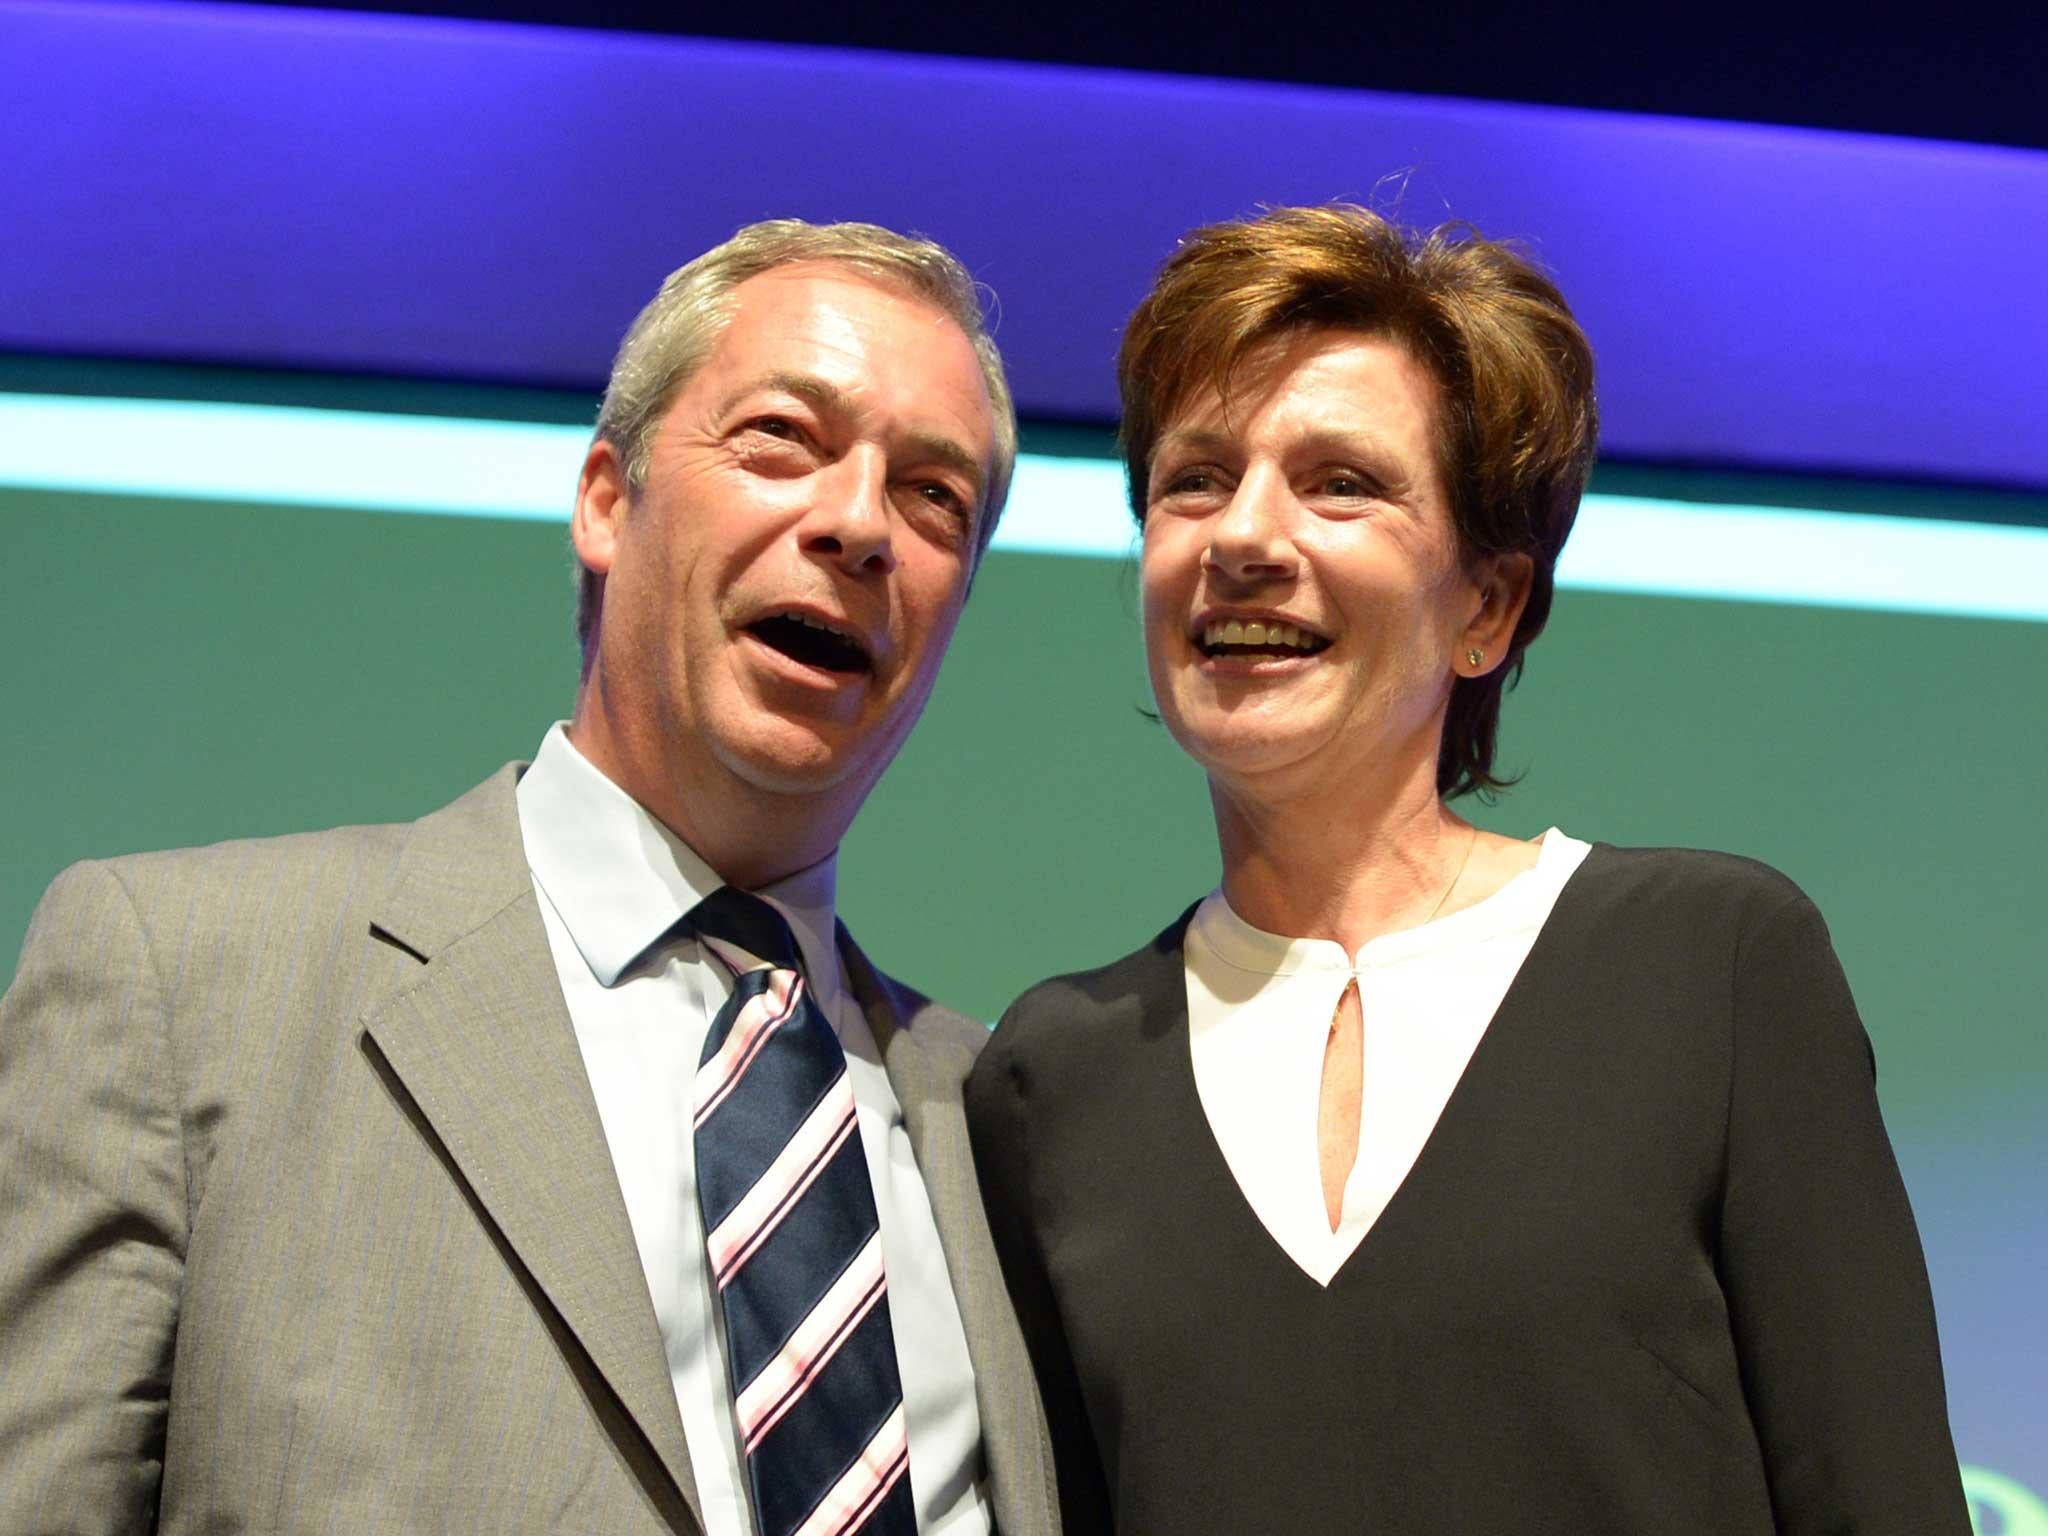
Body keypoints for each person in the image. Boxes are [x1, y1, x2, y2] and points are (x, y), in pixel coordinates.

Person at [0, 220, 1058, 1536]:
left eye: (934, 497)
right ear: (607, 499)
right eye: (783, 437)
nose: (859, 523)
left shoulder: (1008, 1124)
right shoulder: (181, 982)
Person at [964, 205, 1971, 1535]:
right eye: (1194, 480)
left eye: (1340, 483)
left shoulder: (1710, 965)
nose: (1242, 535)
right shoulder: (1054, 1075)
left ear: (1486, 608)